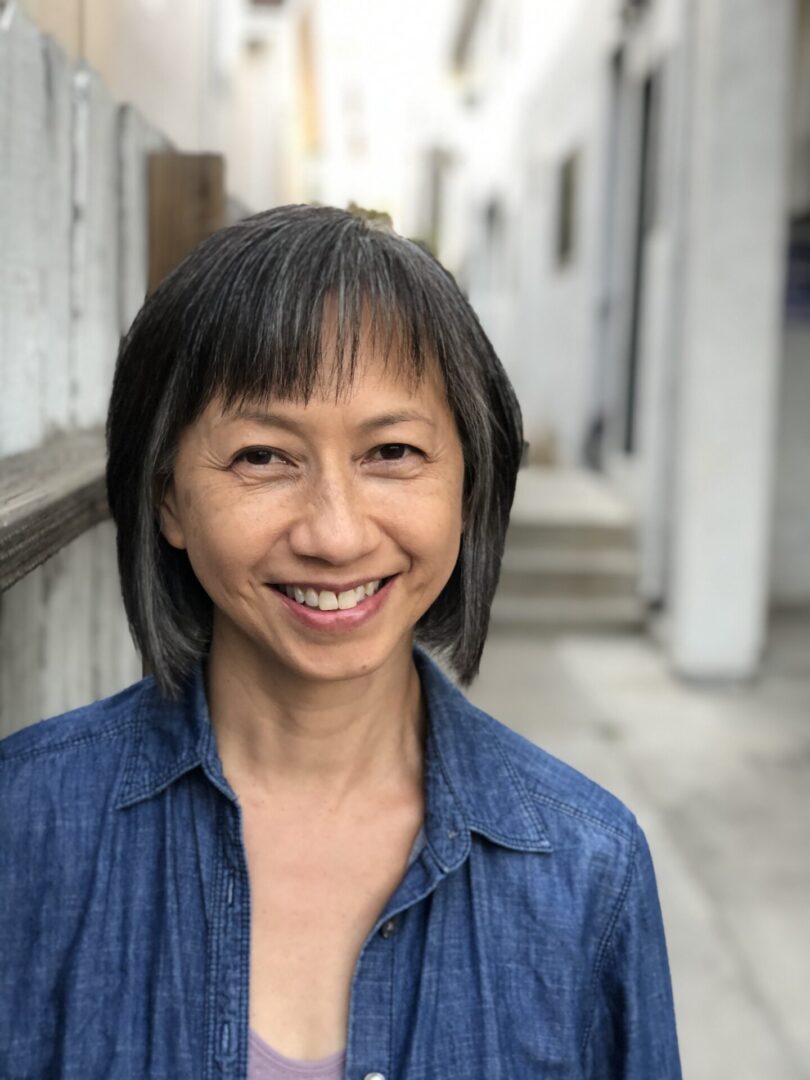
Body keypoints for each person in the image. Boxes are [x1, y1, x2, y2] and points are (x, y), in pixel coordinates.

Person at [0, 203, 682, 1079]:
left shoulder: (590, 868)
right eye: (262, 457)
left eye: (392, 452)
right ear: (167, 497)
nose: (334, 532)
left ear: (468, 485)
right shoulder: (26, 830)